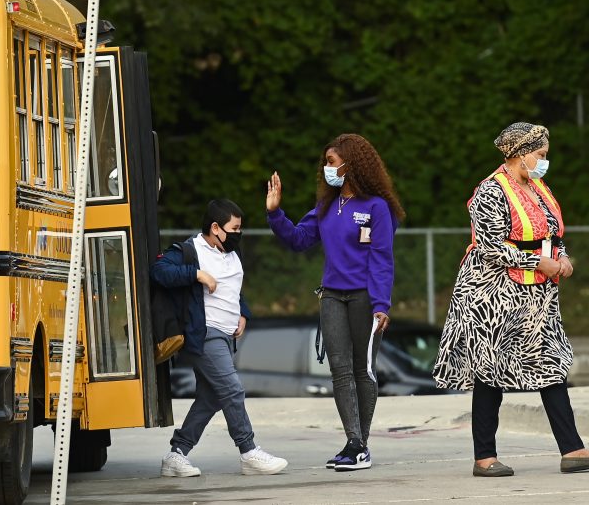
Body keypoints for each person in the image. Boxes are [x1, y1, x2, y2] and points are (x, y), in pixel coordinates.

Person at [433, 122, 589, 477]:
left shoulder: (539, 188)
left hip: (536, 294)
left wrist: (562, 258)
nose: (545, 161)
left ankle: (573, 449)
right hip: (492, 294)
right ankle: (484, 457)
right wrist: (539, 262)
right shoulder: (490, 191)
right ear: (520, 154)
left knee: (551, 366)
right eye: (541, 155)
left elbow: (551, 233)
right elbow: (490, 247)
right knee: (491, 370)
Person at [265, 133, 405, 472]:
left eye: (331, 162)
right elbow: (299, 240)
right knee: (339, 370)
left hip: (365, 298)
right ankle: (354, 443)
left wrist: (381, 304)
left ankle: (360, 445)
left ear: (351, 164)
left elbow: (382, 258)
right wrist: (275, 213)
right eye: (325, 163)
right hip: (331, 295)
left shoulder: (377, 207)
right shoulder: (326, 208)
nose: (327, 168)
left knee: (363, 369)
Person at [152, 199, 288, 477]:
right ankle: (248, 451)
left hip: (227, 336)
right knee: (232, 389)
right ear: (215, 227)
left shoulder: (230, 254)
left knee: (210, 398)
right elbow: (159, 272)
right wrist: (197, 274)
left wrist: (243, 313)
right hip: (205, 335)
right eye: (234, 228)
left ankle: (176, 455)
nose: (239, 233)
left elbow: (232, 290)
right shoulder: (190, 251)